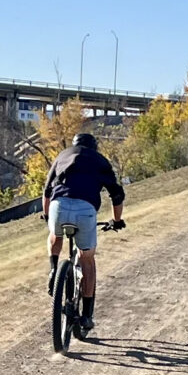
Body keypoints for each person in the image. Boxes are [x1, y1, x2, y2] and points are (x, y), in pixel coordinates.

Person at [41, 130, 126, 336]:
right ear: (94, 147)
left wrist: (46, 215)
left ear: (74, 144)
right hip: (85, 211)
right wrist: (116, 220)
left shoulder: (62, 155)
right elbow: (116, 194)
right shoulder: (100, 161)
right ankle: (87, 314)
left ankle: (54, 269)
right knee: (87, 258)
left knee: (55, 234)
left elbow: (47, 190)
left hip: (58, 205)